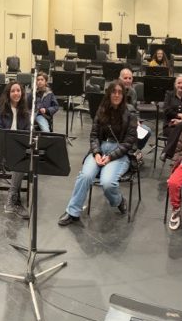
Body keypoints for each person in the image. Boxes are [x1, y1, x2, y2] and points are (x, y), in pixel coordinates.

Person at [58, 82, 138, 225]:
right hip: (100, 149)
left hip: (119, 153)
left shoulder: (130, 112)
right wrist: (96, 153)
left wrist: (111, 157)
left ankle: (119, 200)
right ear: (109, 94)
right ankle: (73, 212)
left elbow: (130, 141)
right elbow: (94, 135)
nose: (117, 95)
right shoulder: (102, 109)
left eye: (120, 92)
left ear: (124, 95)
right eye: (114, 92)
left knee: (107, 183)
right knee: (85, 176)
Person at [0, 81, 31, 217]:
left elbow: (28, 133)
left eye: (19, 90)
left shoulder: (25, 112)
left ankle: (12, 199)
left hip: (19, 149)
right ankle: (13, 201)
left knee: (24, 157)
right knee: (21, 160)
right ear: (8, 93)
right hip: (2, 148)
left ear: (22, 93)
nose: (16, 93)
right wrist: (0, 150)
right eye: (13, 91)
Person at [162, 74, 182, 160]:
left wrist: (180, 121)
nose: (181, 85)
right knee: (180, 133)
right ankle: (177, 158)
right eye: (179, 83)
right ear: (175, 84)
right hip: (170, 125)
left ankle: (167, 152)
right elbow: (166, 110)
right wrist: (180, 115)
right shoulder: (169, 94)